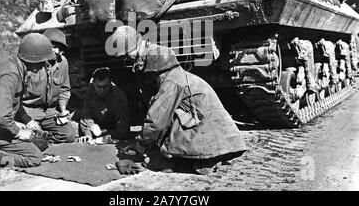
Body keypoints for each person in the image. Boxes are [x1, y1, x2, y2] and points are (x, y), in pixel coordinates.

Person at [107, 25, 247, 174]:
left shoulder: (171, 81)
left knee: (159, 160)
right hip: (211, 130)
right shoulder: (169, 73)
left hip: (213, 135)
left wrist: (140, 146)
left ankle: (205, 157)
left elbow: (157, 119)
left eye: (127, 54)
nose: (127, 59)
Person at [0, 33, 58, 168]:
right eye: (42, 61)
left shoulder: (15, 65)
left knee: (37, 144)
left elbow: (12, 103)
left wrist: (26, 120)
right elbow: (0, 117)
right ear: (33, 60)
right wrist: (18, 132)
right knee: (34, 157)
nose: (44, 65)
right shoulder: (11, 75)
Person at [18, 28, 76, 144]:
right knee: (24, 138)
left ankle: (43, 140)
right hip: (29, 111)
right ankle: (37, 139)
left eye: (60, 47)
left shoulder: (63, 62)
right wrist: (26, 119)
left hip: (50, 111)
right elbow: (14, 97)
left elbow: (64, 89)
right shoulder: (30, 63)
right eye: (53, 46)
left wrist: (63, 110)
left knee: (69, 135)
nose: (57, 50)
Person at [78, 67, 130, 142]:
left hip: (112, 127)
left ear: (110, 84)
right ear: (93, 84)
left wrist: (105, 136)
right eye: (98, 87)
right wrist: (88, 136)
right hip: (96, 125)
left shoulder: (118, 97)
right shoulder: (90, 91)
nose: (102, 91)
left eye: (105, 87)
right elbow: (87, 116)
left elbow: (123, 129)